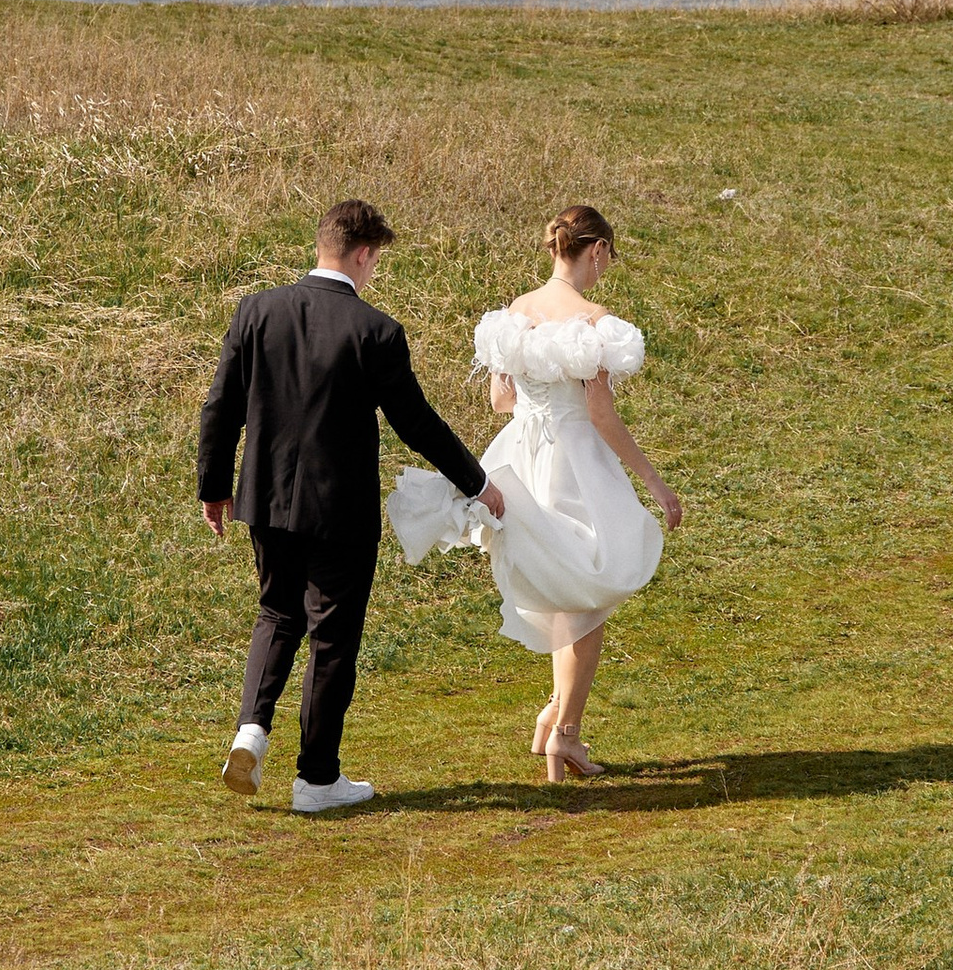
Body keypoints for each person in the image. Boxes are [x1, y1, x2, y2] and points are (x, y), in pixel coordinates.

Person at [199, 199, 504, 816]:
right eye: (374, 262)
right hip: (340, 512)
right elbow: (417, 423)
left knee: (276, 614)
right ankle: (316, 779)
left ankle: (251, 732)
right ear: (363, 254)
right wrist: (477, 483)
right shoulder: (377, 332)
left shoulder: (257, 311)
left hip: (262, 499)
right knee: (331, 639)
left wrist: (215, 487)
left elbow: (219, 407)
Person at [389, 203, 682, 783]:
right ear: (595, 251)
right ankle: (565, 733)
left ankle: (555, 718)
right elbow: (601, 414)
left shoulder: (515, 315)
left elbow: (501, 401)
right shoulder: (593, 320)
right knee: (592, 591)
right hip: (576, 465)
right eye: (607, 260)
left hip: (522, 459)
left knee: (564, 590)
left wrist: (537, 401)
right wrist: (654, 482)